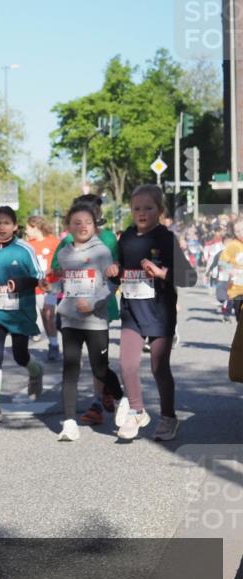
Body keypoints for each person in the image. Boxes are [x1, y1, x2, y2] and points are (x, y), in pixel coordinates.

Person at [107, 184, 196, 441]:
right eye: (136, 208)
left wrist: (162, 273)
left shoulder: (165, 238)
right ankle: (137, 411)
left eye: (148, 208)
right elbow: (120, 270)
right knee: (127, 365)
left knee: (159, 368)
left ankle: (168, 417)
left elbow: (190, 277)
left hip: (160, 313)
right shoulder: (126, 237)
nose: (142, 213)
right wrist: (114, 271)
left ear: (160, 210)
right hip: (131, 312)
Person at [52, 204, 123, 442]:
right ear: (68, 227)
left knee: (99, 368)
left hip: (95, 320)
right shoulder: (63, 254)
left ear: (95, 226)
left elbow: (112, 284)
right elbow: (61, 283)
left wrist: (93, 302)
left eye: (87, 222)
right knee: (70, 368)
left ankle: (121, 398)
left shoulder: (101, 252)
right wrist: (49, 285)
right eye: (77, 223)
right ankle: (69, 422)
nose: (83, 226)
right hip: (70, 319)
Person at [0, 207, 44, 425]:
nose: (2, 227)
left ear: (15, 226)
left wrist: (21, 282)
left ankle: (36, 371)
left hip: (20, 313)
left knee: (19, 355)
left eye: (6, 223)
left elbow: (38, 277)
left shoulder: (24, 250)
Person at [25, 215, 60, 361]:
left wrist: (49, 271)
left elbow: (60, 262)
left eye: (28, 228)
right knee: (45, 316)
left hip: (51, 286)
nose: (26, 231)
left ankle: (54, 345)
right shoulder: (29, 245)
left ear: (36, 227)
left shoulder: (54, 241)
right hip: (37, 287)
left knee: (48, 313)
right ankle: (53, 343)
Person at [219, 219, 243, 321]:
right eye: (237, 231)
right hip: (237, 289)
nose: (240, 233)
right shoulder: (233, 245)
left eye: (242, 229)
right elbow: (221, 263)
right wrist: (230, 270)